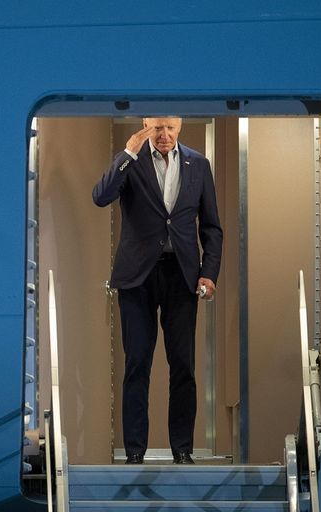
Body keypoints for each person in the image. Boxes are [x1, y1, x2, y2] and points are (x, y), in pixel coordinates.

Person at [92, 117, 223, 465]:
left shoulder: (199, 164)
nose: (164, 135)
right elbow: (100, 196)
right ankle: (135, 451)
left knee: (184, 366)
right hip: (137, 276)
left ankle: (182, 449)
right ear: (146, 126)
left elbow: (211, 226)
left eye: (170, 128)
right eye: (157, 128)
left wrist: (209, 273)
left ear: (179, 128)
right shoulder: (131, 160)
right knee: (137, 363)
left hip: (182, 276)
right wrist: (127, 153)